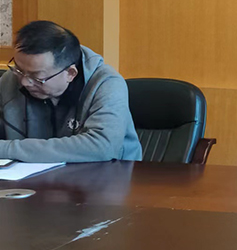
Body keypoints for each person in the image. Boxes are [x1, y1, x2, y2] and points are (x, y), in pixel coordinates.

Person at [0, 20, 142, 162]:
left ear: (70, 73)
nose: (24, 82)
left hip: (108, 173)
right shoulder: (11, 80)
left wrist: (8, 149)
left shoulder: (106, 84)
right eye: (18, 69)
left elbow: (102, 146)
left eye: (36, 77)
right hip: (31, 173)